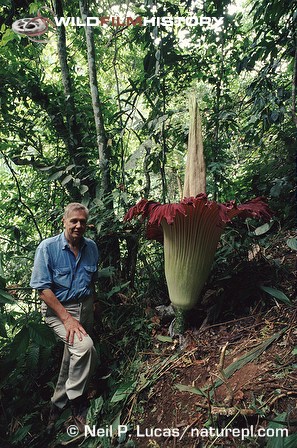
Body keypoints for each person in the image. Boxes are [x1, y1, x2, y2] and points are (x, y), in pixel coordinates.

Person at [30, 202, 99, 433]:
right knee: (86, 348)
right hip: (59, 312)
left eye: (82, 221)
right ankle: (76, 402)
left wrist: (92, 305)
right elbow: (42, 289)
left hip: (85, 307)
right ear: (64, 222)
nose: (78, 225)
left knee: (73, 355)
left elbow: (92, 281)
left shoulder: (92, 247)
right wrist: (68, 319)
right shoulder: (47, 248)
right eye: (74, 221)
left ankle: (55, 406)